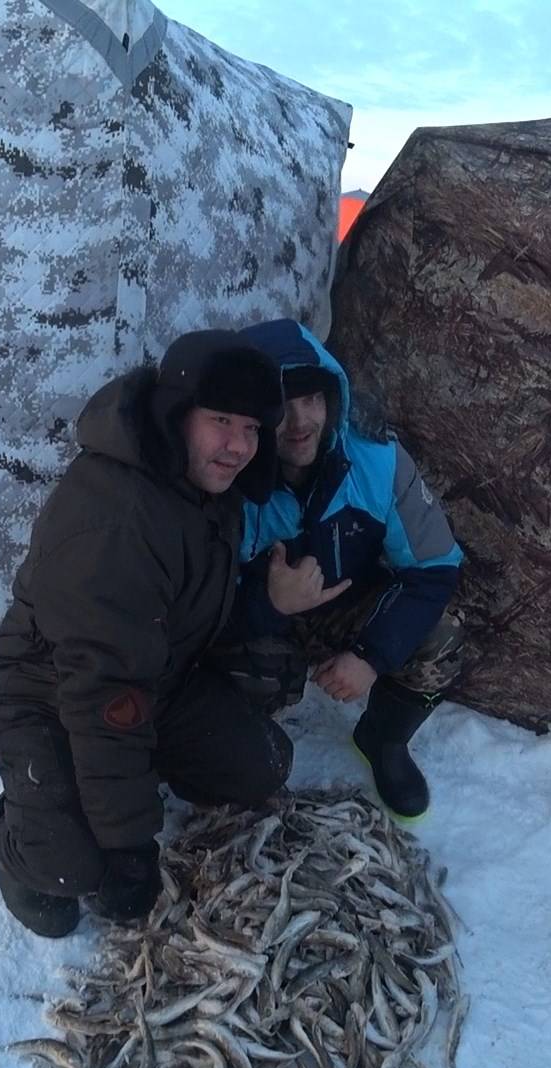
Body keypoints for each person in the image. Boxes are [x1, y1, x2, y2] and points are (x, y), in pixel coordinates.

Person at [0, 330, 343, 939]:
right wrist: (129, 845)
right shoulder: (117, 524)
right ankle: (8, 838)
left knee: (262, 765)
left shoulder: (203, 486)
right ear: (177, 414)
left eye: (252, 428)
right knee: (66, 879)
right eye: (221, 420)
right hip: (48, 694)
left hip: (153, 680)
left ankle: (124, 780)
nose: (239, 446)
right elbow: (103, 694)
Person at [217, 318, 468, 820]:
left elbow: (435, 565)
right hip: (262, 621)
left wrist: (370, 656)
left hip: (344, 607)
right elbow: (200, 609)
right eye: (282, 405)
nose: (300, 421)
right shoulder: (227, 482)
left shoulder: (376, 460)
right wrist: (271, 602)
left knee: (441, 638)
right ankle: (244, 761)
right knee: (244, 680)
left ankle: (382, 739)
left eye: (312, 399)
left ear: (333, 400)